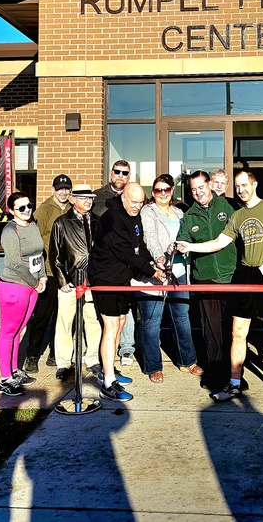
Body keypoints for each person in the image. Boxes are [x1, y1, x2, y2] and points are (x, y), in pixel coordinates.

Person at [177, 170, 263, 408]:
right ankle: (234, 383)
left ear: (254, 184)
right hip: (245, 274)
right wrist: (188, 245)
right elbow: (219, 243)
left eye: (245, 185)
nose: (241, 190)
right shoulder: (237, 215)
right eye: (238, 187)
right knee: (238, 331)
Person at [91, 182, 166, 401]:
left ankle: (110, 371)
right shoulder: (113, 218)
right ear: (124, 198)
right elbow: (125, 253)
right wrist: (152, 273)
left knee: (121, 321)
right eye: (134, 202)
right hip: (106, 279)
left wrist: (155, 261)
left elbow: (139, 247)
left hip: (121, 279)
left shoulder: (134, 217)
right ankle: (107, 383)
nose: (137, 206)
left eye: (141, 202)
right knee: (112, 326)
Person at [138, 174, 202, 383]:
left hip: (180, 272)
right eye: (158, 190)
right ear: (153, 192)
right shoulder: (148, 211)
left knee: (182, 318)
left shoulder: (179, 212)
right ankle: (153, 366)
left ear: (172, 190)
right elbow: (149, 237)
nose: (163, 194)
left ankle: (188, 360)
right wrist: (159, 258)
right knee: (151, 322)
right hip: (157, 273)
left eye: (166, 189)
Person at [177, 170, 237, 388]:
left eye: (201, 187)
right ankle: (213, 374)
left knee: (232, 328)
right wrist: (178, 245)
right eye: (193, 190)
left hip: (230, 276)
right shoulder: (190, 215)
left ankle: (235, 375)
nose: (198, 193)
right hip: (205, 278)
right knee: (211, 330)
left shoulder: (227, 207)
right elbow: (182, 240)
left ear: (210, 185)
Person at [0, 192, 48, 396]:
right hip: (14, 286)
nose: (27, 211)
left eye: (29, 206)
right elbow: (15, 264)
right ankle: (4, 378)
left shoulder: (32, 225)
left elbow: (38, 255)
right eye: (21, 208)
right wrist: (35, 282)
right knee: (8, 332)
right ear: (11, 211)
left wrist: (42, 277)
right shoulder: (10, 231)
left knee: (19, 331)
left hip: (32, 286)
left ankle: (14, 371)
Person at [49, 183, 103, 381]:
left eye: (90, 198)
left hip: (92, 281)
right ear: (72, 199)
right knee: (65, 323)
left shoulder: (98, 221)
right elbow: (54, 255)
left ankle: (93, 359)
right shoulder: (61, 223)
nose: (87, 201)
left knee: (93, 322)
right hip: (70, 282)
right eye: (83, 198)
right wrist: (62, 280)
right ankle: (63, 362)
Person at [23, 174, 70, 373]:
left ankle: (55, 353)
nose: (64, 192)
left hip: (67, 272)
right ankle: (32, 355)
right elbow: (33, 239)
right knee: (43, 315)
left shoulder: (70, 209)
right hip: (49, 271)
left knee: (64, 317)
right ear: (53, 189)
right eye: (60, 188)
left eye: (67, 188)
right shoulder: (43, 211)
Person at [93, 159, 137, 366]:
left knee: (121, 319)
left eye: (125, 173)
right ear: (111, 173)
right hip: (105, 267)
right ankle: (105, 369)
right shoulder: (98, 198)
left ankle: (123, 353)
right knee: (108, 323)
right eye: (117, 172)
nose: (120, 175)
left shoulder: (133, 199)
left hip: (126, 269)